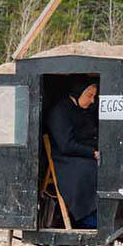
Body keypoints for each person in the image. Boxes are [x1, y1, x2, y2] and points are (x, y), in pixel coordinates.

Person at [46, 79, 99, 228]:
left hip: (83, 154)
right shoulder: (59, 112)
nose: (92, 100)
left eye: (94, 96)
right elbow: (66, 145)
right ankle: (85, 218)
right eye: (89, 95)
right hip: (66, 158)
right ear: (78, 92)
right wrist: (92, 152)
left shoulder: (83, 110)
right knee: (90, 170)